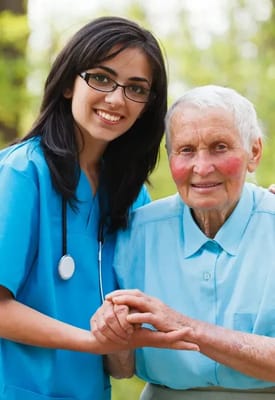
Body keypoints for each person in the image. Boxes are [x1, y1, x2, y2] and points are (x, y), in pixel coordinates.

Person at [0, 16, 199, 400]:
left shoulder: (129, 195)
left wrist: (258, 209)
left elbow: (181, 271)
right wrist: (93, 342)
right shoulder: (21, 173)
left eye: (136, 88)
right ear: (67, 85)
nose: (116, 99)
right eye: (102, 78)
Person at [96, 85, 275, 399]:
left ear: (254, 152)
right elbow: (121, 369)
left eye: (220, 147)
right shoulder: (135, 232)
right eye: (186, 150)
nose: (202, 168)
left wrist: (182, 326)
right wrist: (113, 333)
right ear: (170, 156)